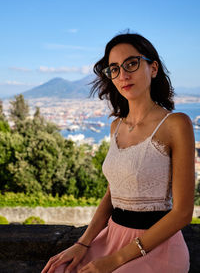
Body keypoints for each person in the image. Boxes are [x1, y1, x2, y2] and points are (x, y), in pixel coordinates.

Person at [41, 33, 195, 273]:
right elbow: (113, 194)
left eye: (131, 64)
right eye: (114, 69)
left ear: (153, 68)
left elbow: (183, 213)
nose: (123, 75)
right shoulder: (116, 126)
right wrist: (82, 243)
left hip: (156, 246)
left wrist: (115, 260)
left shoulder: (176, 124)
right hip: (111, 237)